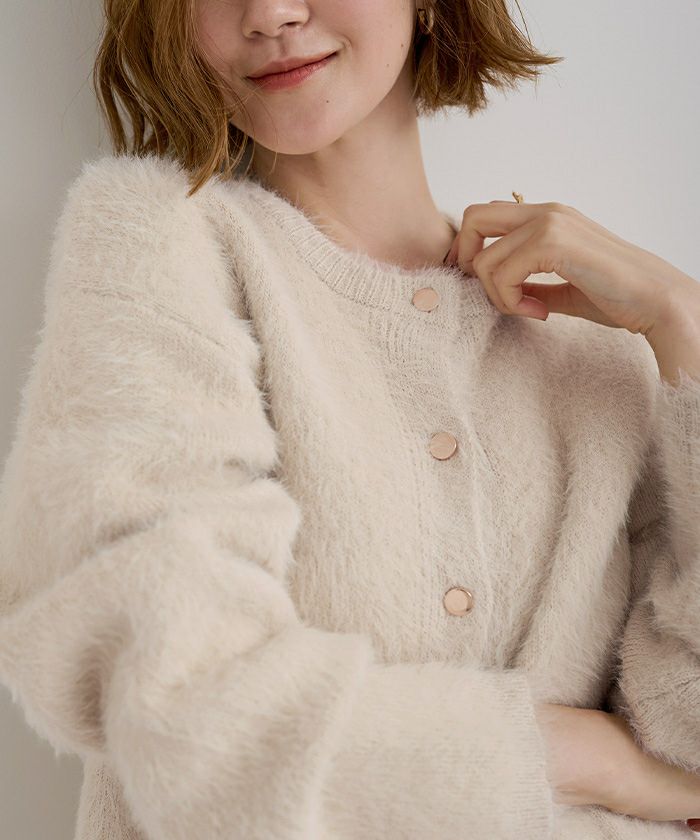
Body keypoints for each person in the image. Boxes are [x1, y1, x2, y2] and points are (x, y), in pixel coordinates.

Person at [1, 1, 699, 838]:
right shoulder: (162, 246)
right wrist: (593, 763)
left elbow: (686, 731)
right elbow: (187, 718)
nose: (270, 13)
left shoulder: (597, 345)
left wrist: (682, 324)